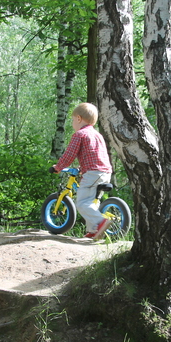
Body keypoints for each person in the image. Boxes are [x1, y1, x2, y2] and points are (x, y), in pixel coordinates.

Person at [50, 102, 112, 240]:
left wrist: (57, 167)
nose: (72, 123)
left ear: (78, 118)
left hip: (93, 173)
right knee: (92, 203)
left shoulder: (80, 134)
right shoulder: (97, 135)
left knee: (82, 203)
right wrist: (80, 168)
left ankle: (101, 222)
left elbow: (69, 155)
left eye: (72, 120)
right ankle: (94, 231)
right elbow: (95, 155)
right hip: (105, 173)